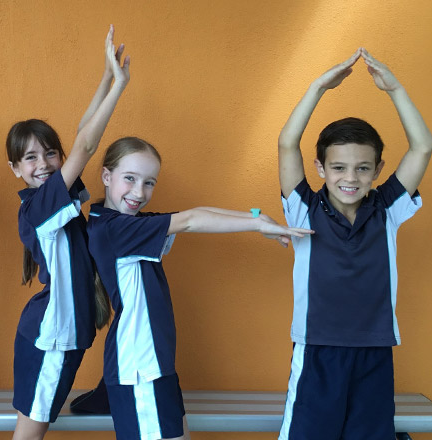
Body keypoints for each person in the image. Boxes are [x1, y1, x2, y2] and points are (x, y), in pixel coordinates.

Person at [87, 137, 312, 440]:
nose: (139, 192)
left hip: (155, 365)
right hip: (139, 370)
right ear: (106, 176)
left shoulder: (126, 223)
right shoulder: (115, 229)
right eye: (130, 178)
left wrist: (259, 217)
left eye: (149, 183)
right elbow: (191, 221)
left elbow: (193, 213)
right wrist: (258, 226)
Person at [276, 48, 432, 440]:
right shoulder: (303, 210)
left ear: (378, 170)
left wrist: (395, 89)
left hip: (375, 351)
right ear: (321, 169)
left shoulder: (387, 209)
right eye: (339, 167)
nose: (351, 177)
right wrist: (317, 88)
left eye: (363, 168)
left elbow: (423, 148)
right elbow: (286, 144)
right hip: (317, 352)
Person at [5, 25, 129, 440]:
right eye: (30, 157)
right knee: (30, 433)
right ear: (16, 170)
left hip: (65, 336)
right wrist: (120, 87)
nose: (43, 163)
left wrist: (107, 76)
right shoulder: (39, 205)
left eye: (50, 153)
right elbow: (87, 145)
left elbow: (81, 131)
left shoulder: (59, 194)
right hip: (51, 340)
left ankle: (112, 388)